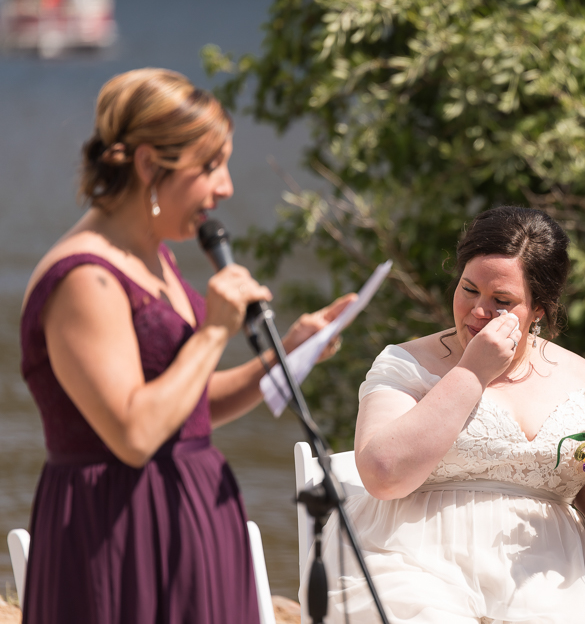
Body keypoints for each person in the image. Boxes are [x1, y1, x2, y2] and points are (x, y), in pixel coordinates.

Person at [19, 68, 351, 624]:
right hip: (116, 529)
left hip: (193, 513)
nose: (225, 188)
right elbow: (134, 433)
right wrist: (215, 331)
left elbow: (190, 405)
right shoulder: (85, 279)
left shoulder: (155, 255)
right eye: (209, 167)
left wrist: (286, 354)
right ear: (150, 163)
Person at [308, 206, 585, 624]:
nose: (477, 311)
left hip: (550, 579)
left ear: (538, 308)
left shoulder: (584, 381)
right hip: (413, 563)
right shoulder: (406, 363)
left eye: (501, 301)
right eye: (468, 289)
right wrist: (472, 372)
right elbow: (382, 472)